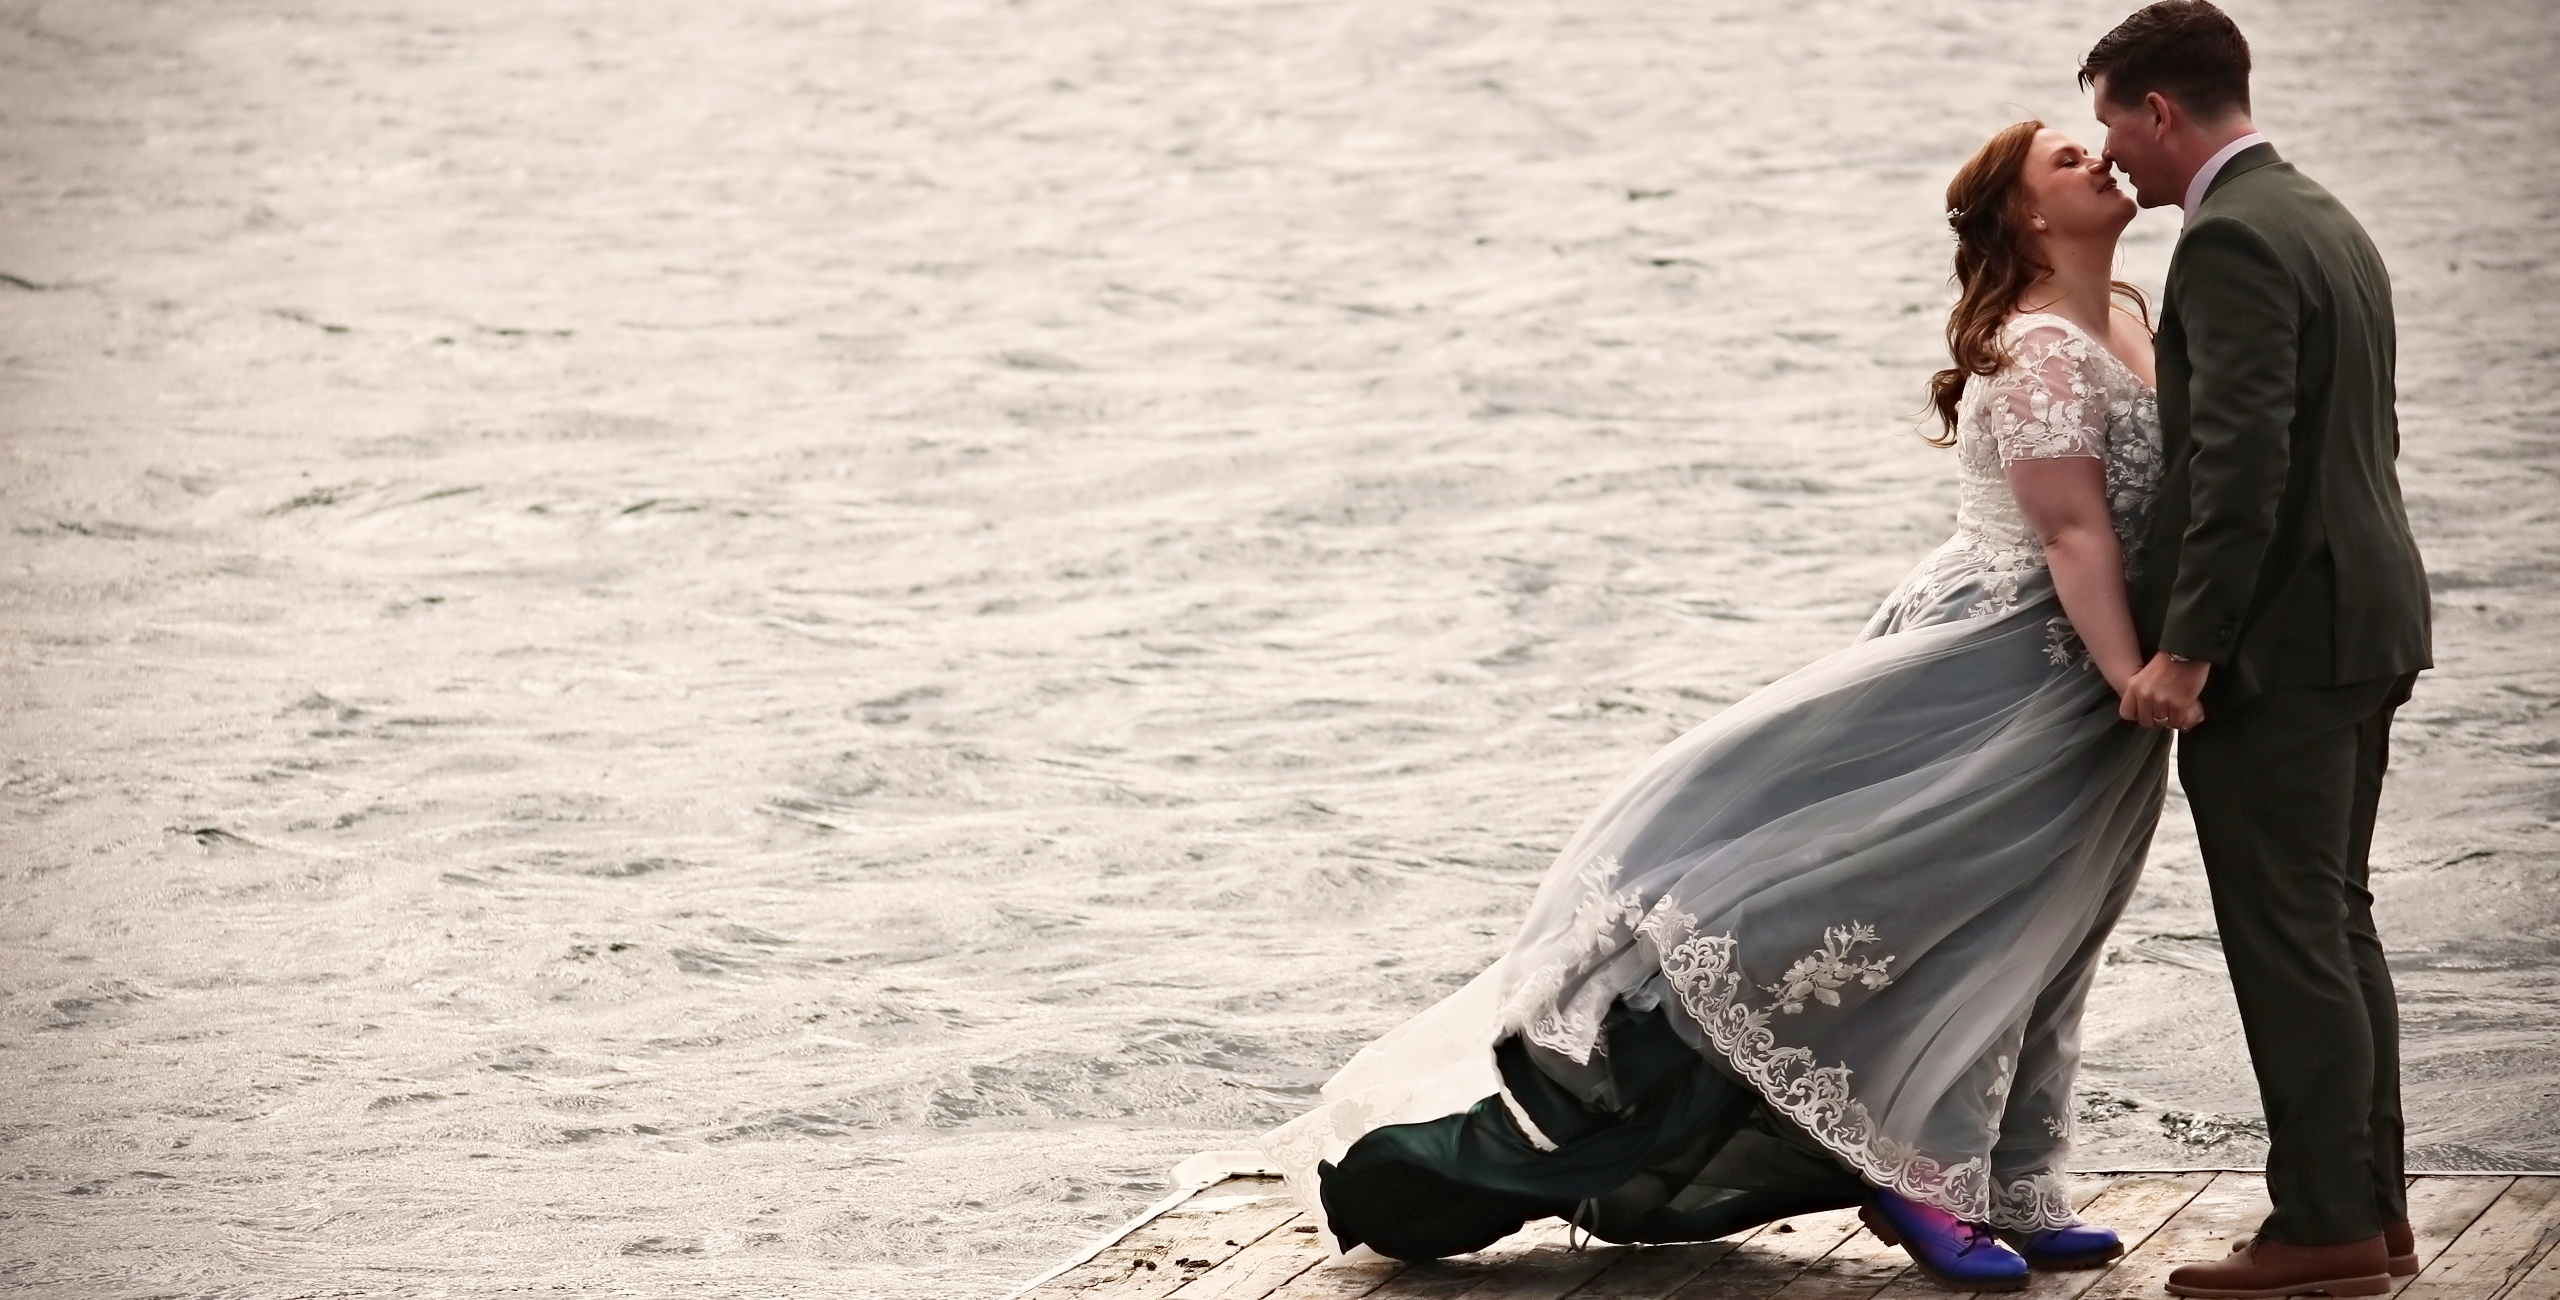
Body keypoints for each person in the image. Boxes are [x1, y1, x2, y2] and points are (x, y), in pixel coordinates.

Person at [1258, 119, 2172, 1293]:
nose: (2097, 160)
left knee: (2055, 920)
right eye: (2065, 158)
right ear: (2025, 217)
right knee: (1933, 908)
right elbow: (2068, 530)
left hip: (2088, 670)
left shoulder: (2133, 322)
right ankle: (1916, 1171)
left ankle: (2019, 1182)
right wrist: (2130, 674)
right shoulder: (2039, 347)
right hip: (2006, 661)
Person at [2081, 3, 2431, 1297]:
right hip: (2368, 613)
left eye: (2114, 124)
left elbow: (2240, 466)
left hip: (2280, 642)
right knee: (2335, 922)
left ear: (2160, 110)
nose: (2112, 157)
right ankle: (2373, 1212)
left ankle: (2324, 1228)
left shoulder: (2227, 241)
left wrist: (2185, 649)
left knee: (2288, 930)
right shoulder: (2324, 216)